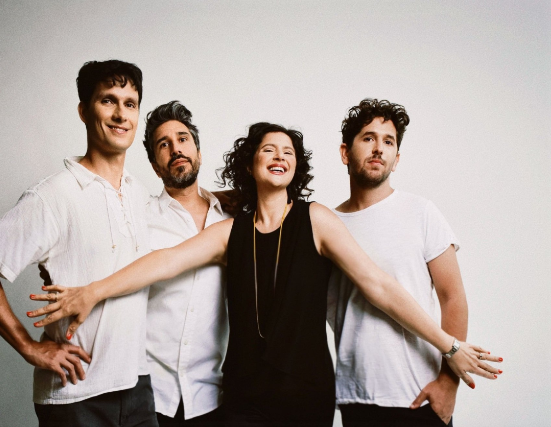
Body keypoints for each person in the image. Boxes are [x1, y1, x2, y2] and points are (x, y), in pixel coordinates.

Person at [27, 122, 501, 427]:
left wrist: (449, 347)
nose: (279, 156)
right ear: (251, 162)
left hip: (307, 395)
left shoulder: (317, 220)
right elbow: (163, 262)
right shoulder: (229, 232)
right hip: (242, 396)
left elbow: (379, 286)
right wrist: (92, 292)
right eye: (269, 149)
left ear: (296, 166)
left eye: (288, 152)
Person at [0, 60, 159, 427]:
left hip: (137, 387)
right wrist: (28, 346)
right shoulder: (54, 196)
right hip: (75, 396)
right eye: (107, 100)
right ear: (83, 111)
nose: (120, 114)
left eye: (130, 103)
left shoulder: (138, 193)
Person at [327, 99, 501, 427]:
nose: (378, 148)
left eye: (388, 141)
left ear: (396, 159)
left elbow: (452, 297)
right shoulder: (326, 224)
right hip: (354, 397)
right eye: (368, 138)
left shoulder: (420, 212)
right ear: (345, 153)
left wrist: (448, 385)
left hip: (419, 396)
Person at [142, 101, 229, 425]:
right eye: (163, 145)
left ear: (199, 153)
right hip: (150, 394)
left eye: (182, 139)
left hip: (212, 396)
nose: (176, 149)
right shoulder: (139, 219)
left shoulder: (233, 218)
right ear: (155, 166)